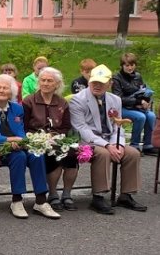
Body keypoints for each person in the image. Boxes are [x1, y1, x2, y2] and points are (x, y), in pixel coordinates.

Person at [0, 74, 61, 219]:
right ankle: (16, 200)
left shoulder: (17, 108)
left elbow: (20, 132)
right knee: (19, 156)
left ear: (12, 92)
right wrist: (8, 140)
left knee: (36, 154)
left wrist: (22, 141)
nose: (1, 91)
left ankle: (41, 200)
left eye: (5, 88)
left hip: (16, 145)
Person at [70, 64, 147, 215]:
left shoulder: (115, 99)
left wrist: (117, 144)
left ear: (110, 83)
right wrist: (107, 145)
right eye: (94, 82)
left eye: (102, 83)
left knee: (132, 153)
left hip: (109, 139)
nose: (97, 86)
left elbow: (117, 125)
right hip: (87, 141)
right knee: (104, 154)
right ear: (89, 81)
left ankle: (126, 195)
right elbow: (82, 129)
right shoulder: (78, 100)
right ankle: (98, 197)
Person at [23, 67, 79, 211]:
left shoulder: (62, 103)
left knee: (72, 154)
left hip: (57, 138)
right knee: (53, 155)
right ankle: (53, 193)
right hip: (35, 140)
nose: (46, 83)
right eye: (43, 80)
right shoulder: (29, 101)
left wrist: (54, 135)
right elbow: (24, 126)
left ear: (57, 84)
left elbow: (66, 126)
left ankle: (67, 193)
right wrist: (40, 137)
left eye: (50, 81)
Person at [112, 53, 157, 155]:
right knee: (140, 117)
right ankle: (134, 145)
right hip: (122, 108)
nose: (130, 68)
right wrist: (138, 102)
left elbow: (142, 91)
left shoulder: (138, 76)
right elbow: (118, 98)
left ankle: (147, 145)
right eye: (127, 65)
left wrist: (145, 101)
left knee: (151, 116)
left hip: (137, 106)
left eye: (132, 65)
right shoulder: (116, 78)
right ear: (122, 66)